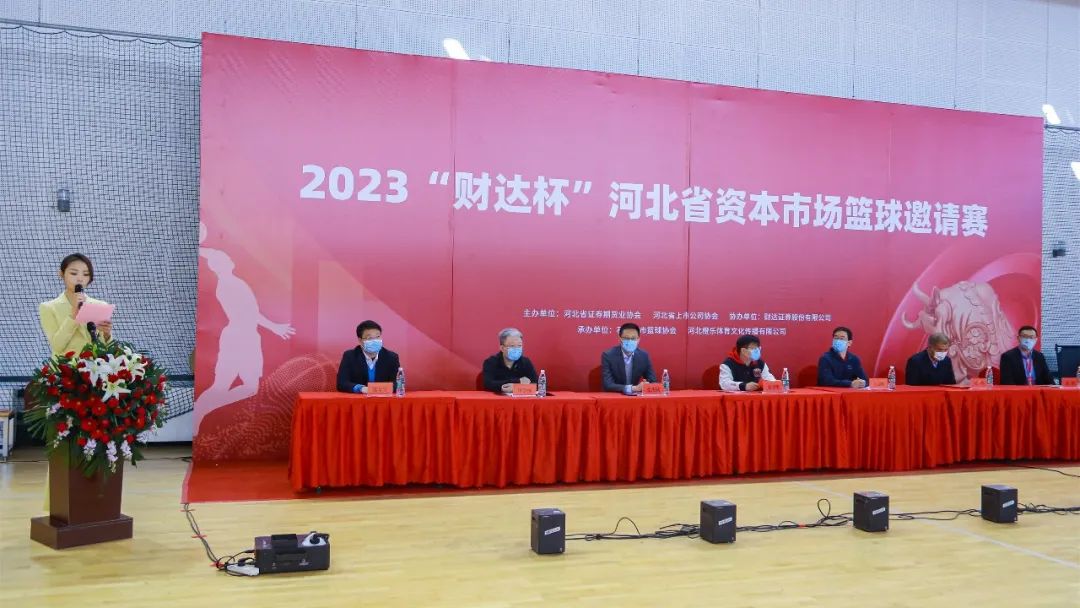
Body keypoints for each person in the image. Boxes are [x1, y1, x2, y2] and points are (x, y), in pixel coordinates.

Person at [39, 253, 113, 355]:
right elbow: (57, 346)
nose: (80, 279)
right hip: (65, 364)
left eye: (86, 274)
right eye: (74, 273)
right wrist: (73, 316)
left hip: (94, 364)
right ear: (61, 274)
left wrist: (107, 334)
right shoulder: (49, 307)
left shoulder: (100, 306)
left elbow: (107, 348)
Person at [336, 320, 402, 393]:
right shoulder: (350, 356)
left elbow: (398, 383)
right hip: (359, 398)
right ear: (360, 341)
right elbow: (341, 383)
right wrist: (361, 389)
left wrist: (377, 389)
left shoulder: (391, 357)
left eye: (377, 337)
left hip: (383, 398)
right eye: (369, 338)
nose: (375, 341)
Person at [600, 323, 657, 394]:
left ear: (638, 339)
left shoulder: (643, 356)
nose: (630, 341)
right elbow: (608, 385)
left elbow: (652, 381)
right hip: (615, 395)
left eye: (633, 338)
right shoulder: (608, 356)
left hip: (635, 397)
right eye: (626, 338)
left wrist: (646, 385)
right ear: (620, 339)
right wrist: (634, 388)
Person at [482, 327, 538, 394]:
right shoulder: (491, 362)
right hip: (498, 398)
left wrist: (515, 388)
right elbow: (488, 384)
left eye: (519, 346)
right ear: (502, 348)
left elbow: (538, 385)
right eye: (512, 346)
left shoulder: (525, 362)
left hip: (520, 399)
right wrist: (517, 381)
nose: (516, 349)